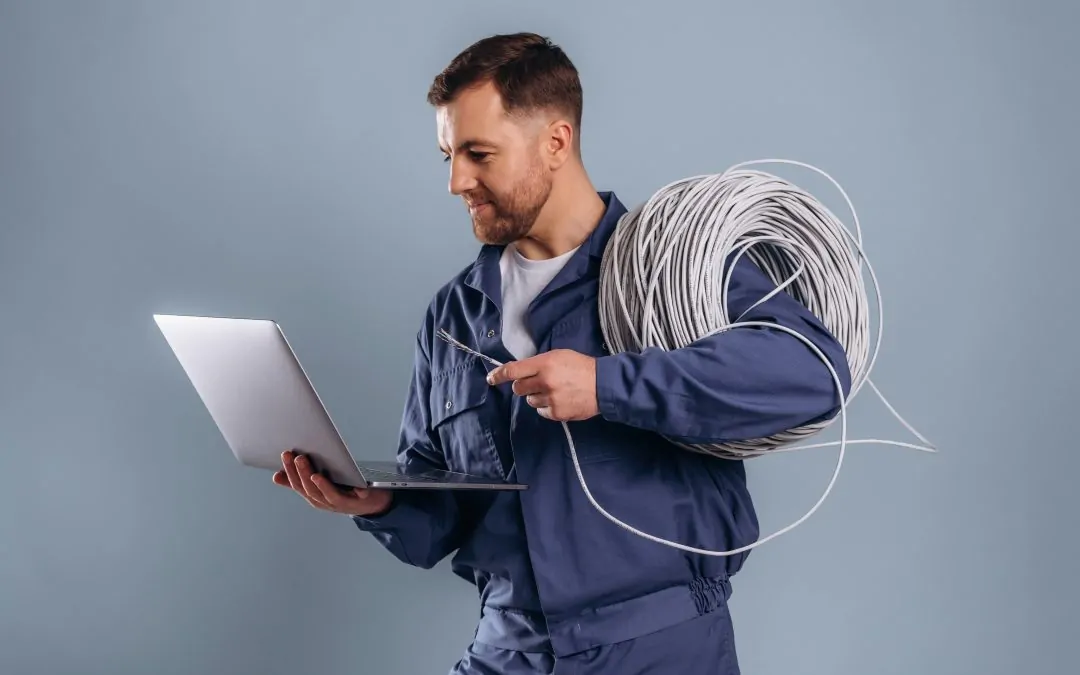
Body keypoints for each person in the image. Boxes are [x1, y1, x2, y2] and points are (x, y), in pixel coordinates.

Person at [273, 32, 851, 675]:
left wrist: (607, 386)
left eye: (478, 153)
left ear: (556, 141)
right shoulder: (452, 315)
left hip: (658, 648)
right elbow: (437, 517)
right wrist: (377, 504)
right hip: (508, 648)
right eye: (449, 157)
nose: (457, 181)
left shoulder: (672, 272)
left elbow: (812, 370)